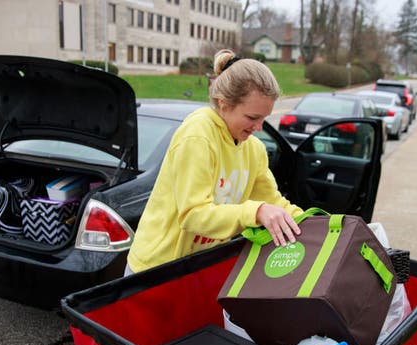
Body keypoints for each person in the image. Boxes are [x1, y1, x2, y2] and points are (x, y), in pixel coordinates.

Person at [126, 49, 303, 275]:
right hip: (156, 270)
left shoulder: (254, 149)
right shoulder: (198, 135)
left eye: (264, 118)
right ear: (223, 103)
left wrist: (320, 226)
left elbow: (273, 203)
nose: (259, 128)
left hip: (201, 266)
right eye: (252, 118)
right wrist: (256, 212)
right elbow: (193, 214)